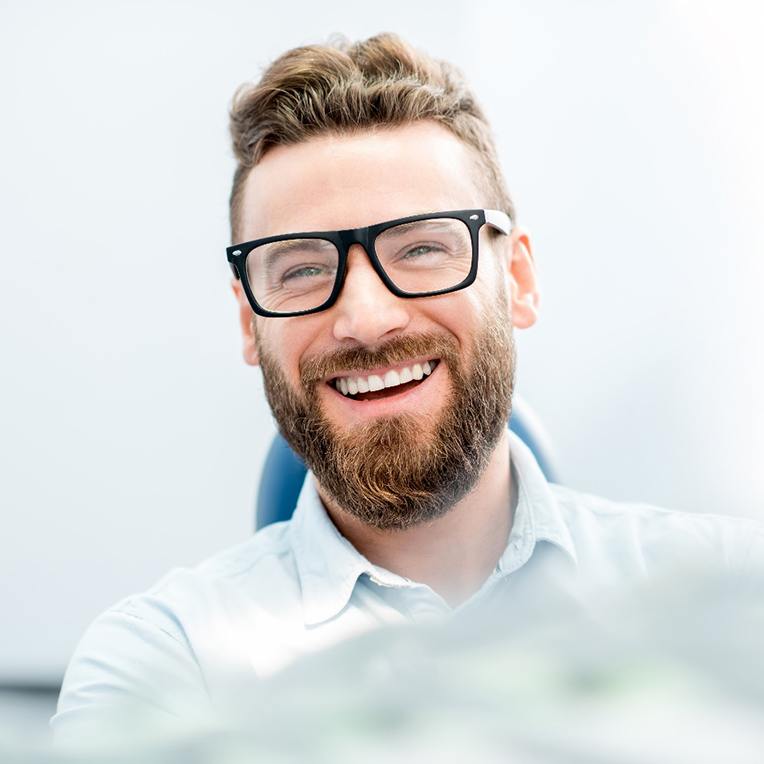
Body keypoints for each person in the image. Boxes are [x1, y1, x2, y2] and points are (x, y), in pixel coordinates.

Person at [51, 32, 763, 741]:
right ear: (249, 322)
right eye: (299, 269)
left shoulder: (733, 598)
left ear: (516, 280)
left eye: (422, 248)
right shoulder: (165, 667)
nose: (364, 319)